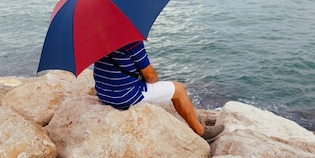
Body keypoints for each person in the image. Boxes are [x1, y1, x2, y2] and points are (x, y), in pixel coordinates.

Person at [93, 41, 224, 142]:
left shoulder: (97, 38)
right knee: (179, 89)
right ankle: (201, 131)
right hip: (126, 96)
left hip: (103, 93)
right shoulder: (132, 42)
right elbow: (151, 77)